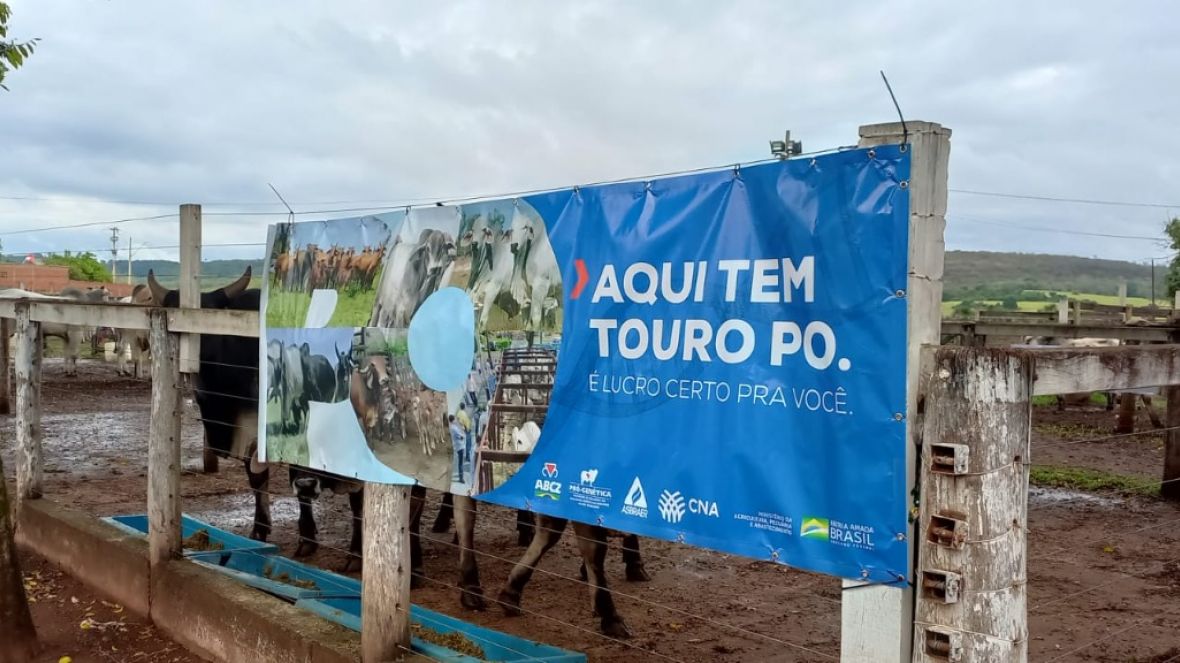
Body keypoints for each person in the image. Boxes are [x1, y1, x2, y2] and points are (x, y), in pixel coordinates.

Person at [449, 414, 466, 483]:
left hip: (457, 445)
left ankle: (460, 476)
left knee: (460, 462)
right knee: (461, 463)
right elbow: (461, 435)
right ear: (453, 420)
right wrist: (463, 431)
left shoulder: (452, 427)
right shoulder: (454, 428)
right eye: (455, 419)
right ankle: (461, 478)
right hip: (459, 445)